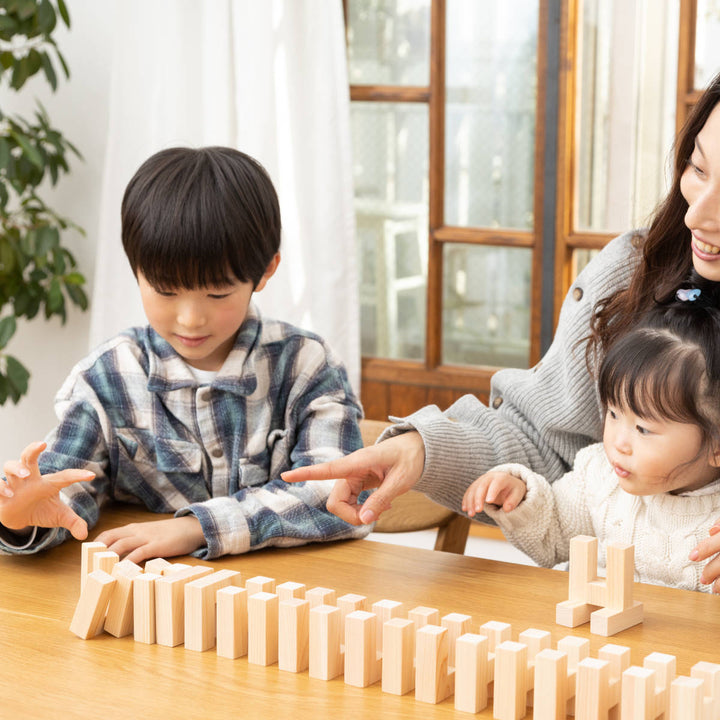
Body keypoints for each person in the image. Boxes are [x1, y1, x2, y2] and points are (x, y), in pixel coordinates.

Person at [282, 70, 720, 591]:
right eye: (697, 169)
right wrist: (424, 450)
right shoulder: (636, 271)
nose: (698, 214)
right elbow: (549, 445)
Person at [0, 146, 369, 561]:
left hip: (286, 602)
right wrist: (21, 518)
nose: (191, 319)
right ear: (135, 269)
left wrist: (196, 528)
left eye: (217, 293)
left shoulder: (307, 366)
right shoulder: (109, 377)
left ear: (265, 270)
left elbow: (339, 494)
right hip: (154, 606)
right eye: (166, 291)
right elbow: (64, 487)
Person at [462, 290, 720, 592]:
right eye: (613, 412)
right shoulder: (598, 475)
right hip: (593, 633)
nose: (618, 442)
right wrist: (519, 497)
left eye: (643, 429)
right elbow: (554, 531)